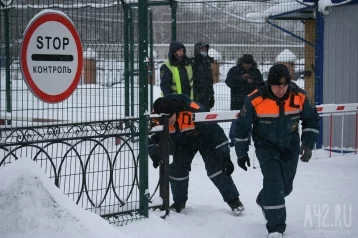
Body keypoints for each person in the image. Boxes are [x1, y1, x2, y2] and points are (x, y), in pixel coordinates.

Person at [233, 64, 320, 238]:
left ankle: (264, 200)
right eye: (276, 85)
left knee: (285, 187)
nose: (281, 89)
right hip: (266, 147)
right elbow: (241, 128)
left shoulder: (299, 96)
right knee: (274, 183)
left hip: (290, 146)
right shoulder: (255, 99)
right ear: (269, 84)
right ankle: (275, 228)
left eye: (284, 85)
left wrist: (308, 144)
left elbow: (311, 119)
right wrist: (241, 153)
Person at [148, 94, 244, 215]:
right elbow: (150, 138)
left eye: (168, 120)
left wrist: (225, 156)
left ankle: (234, 200)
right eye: (162, 121)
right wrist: (154, 154)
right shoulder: (157, 117)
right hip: (182, 143)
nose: (165, 124)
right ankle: (179, 203)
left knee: (216, 169)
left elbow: (216, 134)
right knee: (177, 170)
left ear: (175, 113)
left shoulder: (194, 111)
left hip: (206, 140)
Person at [225, 54, 263, 147]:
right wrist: (241, 79)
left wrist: (252, 81)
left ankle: (246, 140)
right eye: (245, 63)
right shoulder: (234, 70)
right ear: (241, 62)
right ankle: (233, 140)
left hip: (251, 102)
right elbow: (229, 82)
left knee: (247, 121)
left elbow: (260, 85)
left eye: (249, 64)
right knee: (236, 120)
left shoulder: (256, 71)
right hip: (236, 101)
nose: (247, 66)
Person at [192, 42, 215, 110]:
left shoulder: (207, 62)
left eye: (205, 49)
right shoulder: (194, 62)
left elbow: (210, 81)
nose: (204, 50)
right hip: (197, 95)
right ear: (197, 50)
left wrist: (211, 95)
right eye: (202, 48)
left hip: (207, 95)